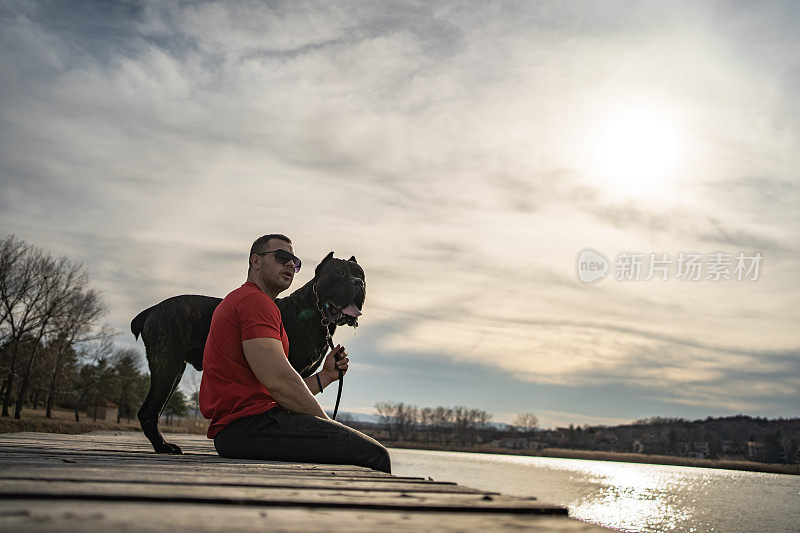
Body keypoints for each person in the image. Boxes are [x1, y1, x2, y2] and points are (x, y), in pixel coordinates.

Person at [199, 233, 391, 473]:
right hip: (251, 429)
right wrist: (328, 426)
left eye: (295, 262)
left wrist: (326, 376)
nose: (290, 264)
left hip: (247, 429)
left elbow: (273, 390)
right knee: (376, 455)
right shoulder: (254, 303)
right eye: (281, 257)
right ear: (255, 262)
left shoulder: (251, 302)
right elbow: (279, 382)